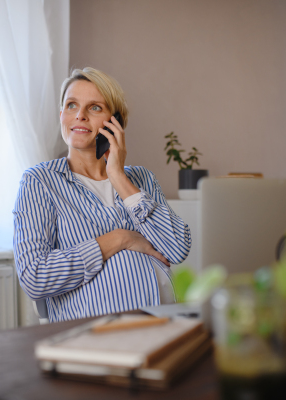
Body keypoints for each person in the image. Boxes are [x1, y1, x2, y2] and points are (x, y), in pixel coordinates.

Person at [13, 67, 191, 322]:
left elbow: (176, 248)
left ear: (115, 121)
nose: (80, 116)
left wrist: (118, 175)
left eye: (94, 107)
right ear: (61, 114)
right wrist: (120, 239)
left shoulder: (141, 179)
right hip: (94, 336)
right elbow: (35, 277)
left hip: (163, 326)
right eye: (72, 105)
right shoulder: (40, 181)